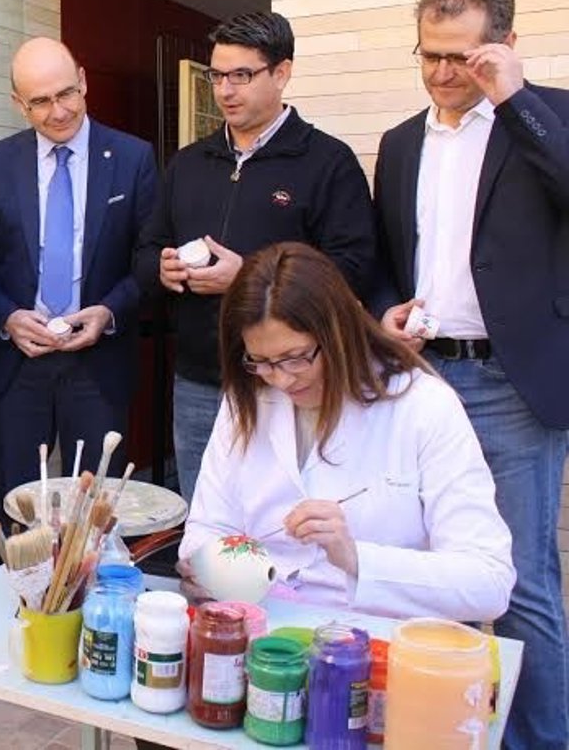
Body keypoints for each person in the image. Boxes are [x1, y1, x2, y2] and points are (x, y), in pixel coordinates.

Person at [372, 0, 569, 749]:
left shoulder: (549, 116)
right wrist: (386, 309)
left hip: (511, 384)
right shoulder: (400, 143)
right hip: (423, 378)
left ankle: (539, 740)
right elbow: (388, 256)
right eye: (430, 55)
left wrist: (515, 100)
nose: (444, 72)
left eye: (462, 56)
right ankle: (440, 729)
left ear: (506, 46)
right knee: (425, 569)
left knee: (520, 582)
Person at [178, 243, 514, 622]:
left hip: (381, 638)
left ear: (340, 332)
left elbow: (489, 582)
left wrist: (355, 557)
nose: (282, 379)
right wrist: (219, 568)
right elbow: (208, 528)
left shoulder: (424, 406)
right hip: (266, 632)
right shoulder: (250, 397)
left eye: (296, 358)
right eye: (262, 361)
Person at [134, 11, 376, 504]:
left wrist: (247, 275)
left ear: (281, 73)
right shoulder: (188, 164)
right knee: (207, 519)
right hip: (199, 382)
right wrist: (163, 269)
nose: (225, 90)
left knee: (289, 520)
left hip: (291, 384)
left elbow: (355, 271)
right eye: (217, 75)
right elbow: (144, 254)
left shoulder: (327, 163)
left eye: (241, 75)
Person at [0, 37, 157, 565]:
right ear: (18, 104)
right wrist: (6, 317)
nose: (59, 111)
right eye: (40, 102)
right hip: (16, 367)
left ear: (84, 81)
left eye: (67, 93)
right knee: (16, 516)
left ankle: (88, 615)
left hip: (98, 366)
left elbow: (149, 259)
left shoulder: (133, 158)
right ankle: (15, 611)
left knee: (94, 521)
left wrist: (109, 311)